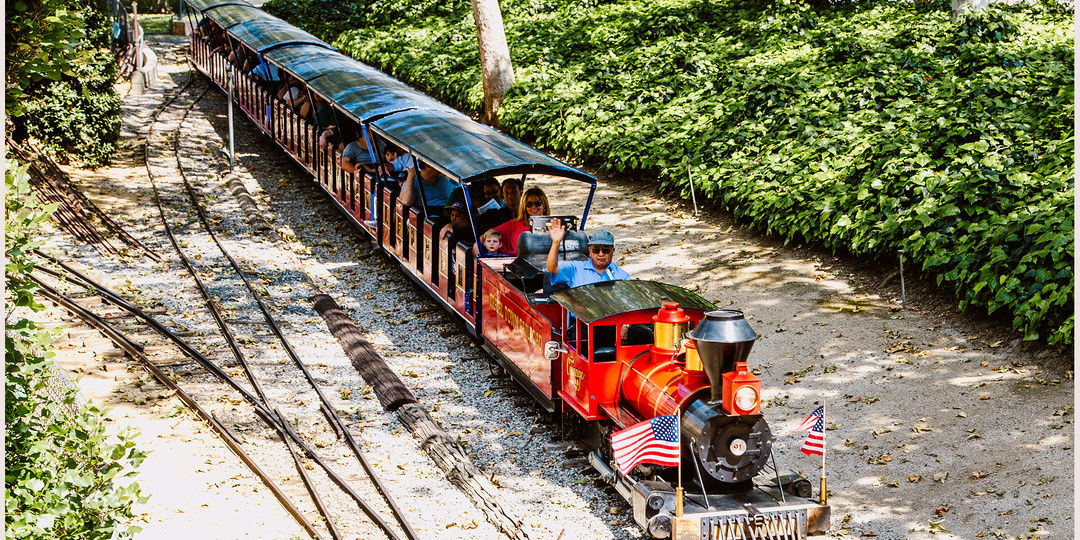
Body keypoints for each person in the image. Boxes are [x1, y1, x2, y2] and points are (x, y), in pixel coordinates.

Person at [546, 220, 629, 287]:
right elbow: (551, 267)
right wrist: (556, 242)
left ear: (612, 251)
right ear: (590, 251)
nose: (601, 254)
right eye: (596, 250)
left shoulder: (623, 277)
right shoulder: (576, 269)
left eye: (606, 250)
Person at [491, 186, 548, 256]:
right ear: (525, 207)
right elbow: (488, 234)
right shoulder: (514, 224)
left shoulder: (552, 224)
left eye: (537, 203)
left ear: (544, 205)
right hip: (518, 261)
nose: (533, 207)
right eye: (529, 204)